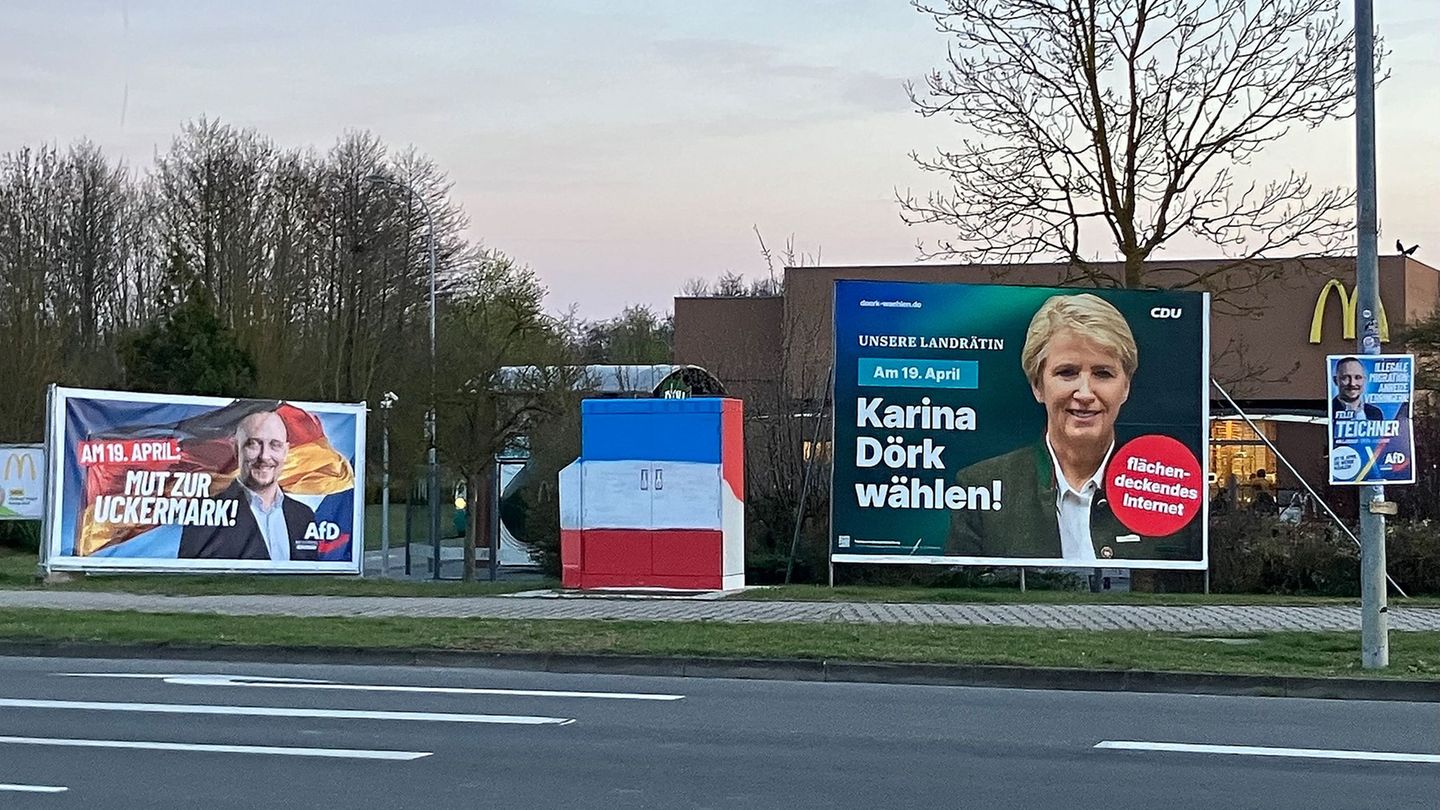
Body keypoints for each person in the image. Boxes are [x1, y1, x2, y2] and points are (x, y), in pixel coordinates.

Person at [946, 293, 1180, 562]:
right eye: (1067, 372)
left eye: (1103, 373)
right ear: (1037, 385)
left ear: (1125, 387)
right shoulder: (981, 486)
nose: (1085, 393)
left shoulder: (1167, 487)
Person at [179, 409, 318, 561]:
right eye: (253, 444)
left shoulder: (303, 515)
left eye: (275, 445)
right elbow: (193, 573)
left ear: (285, 452)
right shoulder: (206, 512)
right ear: (236, 449)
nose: (264, 456)